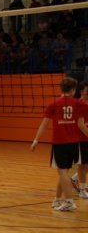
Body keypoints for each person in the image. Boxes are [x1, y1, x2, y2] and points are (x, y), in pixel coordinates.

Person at [30, 76, 88, 211]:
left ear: (61, 89)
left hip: (60, 143)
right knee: (64, 173)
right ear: (73, 90)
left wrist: (36, 140)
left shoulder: (53, 104)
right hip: (74, 144)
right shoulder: (80, 104)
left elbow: (44, 125)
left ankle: (69, 202)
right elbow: (81, 125)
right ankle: (56, 199)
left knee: (62, 172)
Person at [72, 83, 88, 200]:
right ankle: (82, 190)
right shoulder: (79, 104)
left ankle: (74, 179)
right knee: (82, 164)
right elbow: (81, 125)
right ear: (82, 91)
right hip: (80, 138)